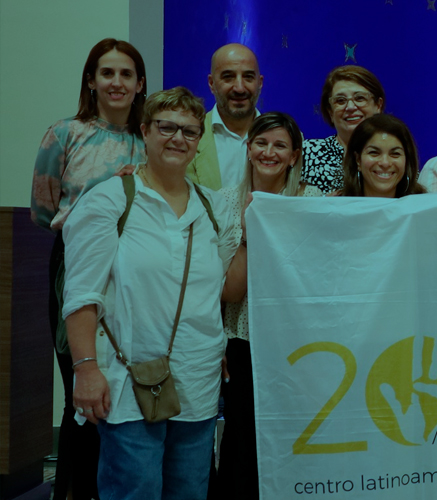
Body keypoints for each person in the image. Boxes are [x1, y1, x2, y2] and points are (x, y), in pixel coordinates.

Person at [62, 87, 236, 500]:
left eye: (189, 131)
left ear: (199, 140)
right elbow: (82, 295)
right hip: (128, 381)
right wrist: (86, 369)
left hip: (197, 381)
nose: (178, 138)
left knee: (189, 493)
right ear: (144, 131)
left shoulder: (214, 209)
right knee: (134, 491)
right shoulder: (110, 200)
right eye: (167, 127)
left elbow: (218, 290)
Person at [29, 37, 148, 500]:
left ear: (140, 83)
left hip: (139, 273)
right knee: (83, 388)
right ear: (91, 81)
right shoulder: (65, 134)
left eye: (126, 74)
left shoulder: (152, 139)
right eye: (107, 73)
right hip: (77, 266)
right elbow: (44, 210)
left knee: (124, 391)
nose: (117, 82)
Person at [215, 112, 323, 499]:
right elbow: (229, 293)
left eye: (280, 146)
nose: (269, 152)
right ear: (248, 149)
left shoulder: (311, 202)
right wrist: (249, 235)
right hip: (243, 341)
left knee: (295, 438)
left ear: (294, 156)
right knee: (243, 437)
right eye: (261, 143)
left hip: (298, 345)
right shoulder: (225, 202)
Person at [187, 43, 263, 191]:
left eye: (248, 77)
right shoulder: (187, 138)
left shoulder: (289, 141)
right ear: (211, 83)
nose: (239, 88)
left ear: (260, 83)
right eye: (228, 77)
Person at [303, 65, 386, 193]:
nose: (350, 107)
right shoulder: (307, 153)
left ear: (378, 106)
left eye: (360, 98)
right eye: (340, 101)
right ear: (330, 112)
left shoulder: (394, 153)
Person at [335, 114, 425, 198]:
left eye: (395, 154)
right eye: (374, 153)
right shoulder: (336, 207)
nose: (385, 163)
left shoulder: (423, 206)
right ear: (358, 160)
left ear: (406, 161)